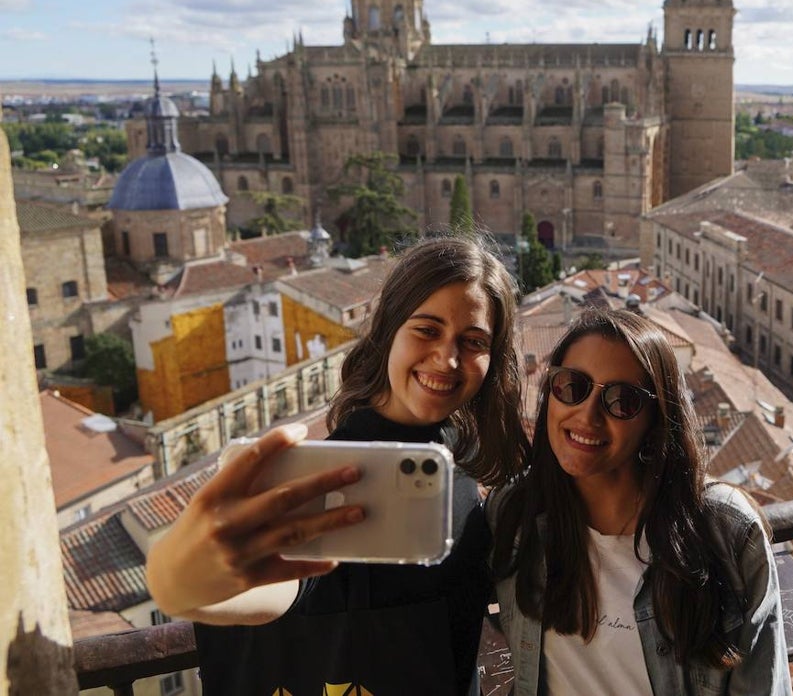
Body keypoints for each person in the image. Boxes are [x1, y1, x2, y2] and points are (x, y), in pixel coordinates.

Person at [146, 235, 530, 696]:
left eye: (472, 341)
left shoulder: (459, 465)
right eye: (427, 330)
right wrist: (179, 581)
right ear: (389, 329)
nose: (447, 358)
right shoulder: (326, 477)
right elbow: (284, 587)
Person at [489, 308, 790, 695]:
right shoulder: (514, 514)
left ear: (656, 420)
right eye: (572, 385)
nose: (587, 415)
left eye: (622, 400)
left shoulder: (726, 533)